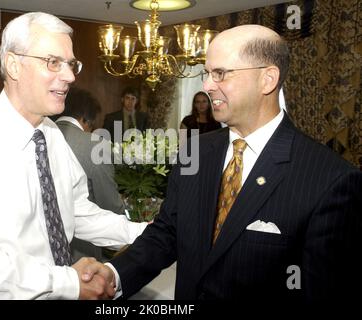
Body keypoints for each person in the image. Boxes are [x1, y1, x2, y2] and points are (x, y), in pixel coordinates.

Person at [93, 24, 362, 302]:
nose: (207, 86)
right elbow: (167, 233)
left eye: (220, 73)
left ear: (268, 79)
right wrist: (113, 275)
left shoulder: (331, 180)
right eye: (207, 73)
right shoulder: (196, 151)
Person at [0, 12, 147, 300]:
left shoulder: (51, 134)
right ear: (13, 65)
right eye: (53, 62)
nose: (69, 76)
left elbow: (76, 211)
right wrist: (67, 282)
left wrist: (143, 232)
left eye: (70, 64)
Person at [55, 87, 126, 261]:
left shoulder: (41, 134)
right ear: (86, 119)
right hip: (82, 249)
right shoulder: (94, 144)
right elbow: (108, 201)